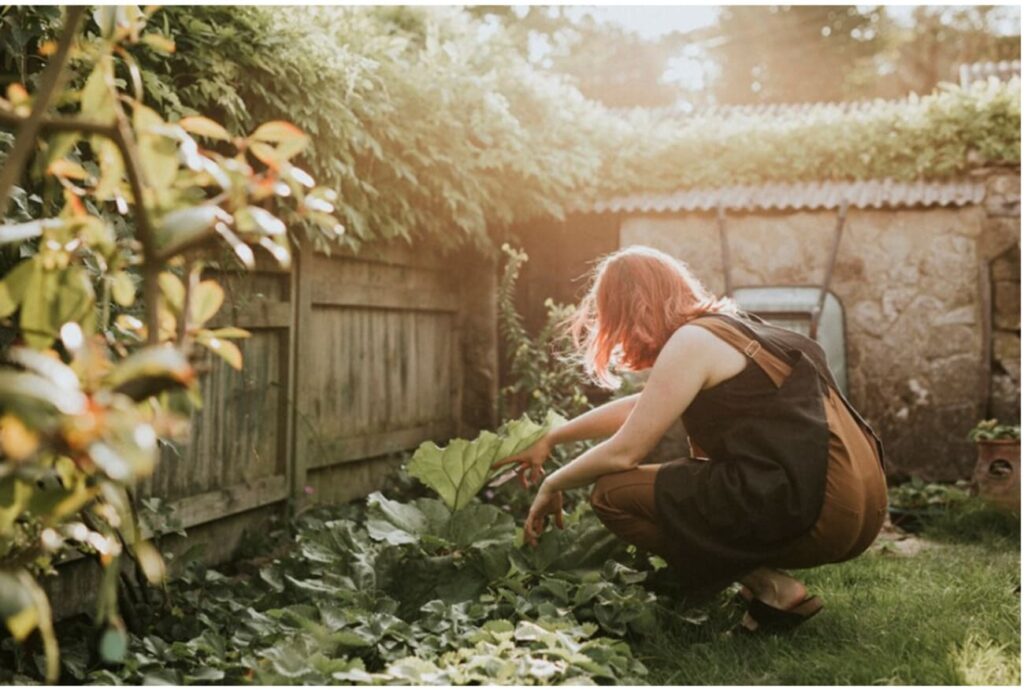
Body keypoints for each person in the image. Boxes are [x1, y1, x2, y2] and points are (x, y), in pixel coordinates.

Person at [494, 245, 888, 632]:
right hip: (861, 510)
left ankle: (771, 587)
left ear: (635, 309)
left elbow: (624, 453)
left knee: (611, 494)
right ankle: (758, 584)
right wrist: (553, 437)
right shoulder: (732, 331)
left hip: (818, 513)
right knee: (676, 484)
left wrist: (553, 482)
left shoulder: (691, 342)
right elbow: (646, 404)